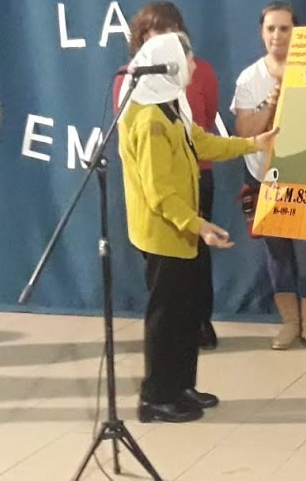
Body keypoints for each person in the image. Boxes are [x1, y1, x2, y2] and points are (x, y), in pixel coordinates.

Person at [117, 32, 276, 423]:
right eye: (188, 60)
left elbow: (200, 143)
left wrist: (253, 143)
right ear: (169, 65)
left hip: (182, 230)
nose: (194, 67)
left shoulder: (170, 105)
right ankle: (156, 397)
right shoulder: (151, 120)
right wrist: (199, 225)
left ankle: (181, 385)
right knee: (166, 318)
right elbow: (160, 194)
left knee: (186, 313)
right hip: (165, 232)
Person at [113, 1, 222, 350]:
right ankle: (164, 388)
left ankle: (196, 331)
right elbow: (152, 173)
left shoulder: (198, 73)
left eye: (173, 29)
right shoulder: (134, 87)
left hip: (196, 178)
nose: (168, 37)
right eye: (158, 31)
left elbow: (202, 128)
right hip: (162, 198)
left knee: (193, 269)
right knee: (169, 286)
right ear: (143, 38)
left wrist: (250, 144)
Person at [231, 1, 306, 355]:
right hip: (263, 177)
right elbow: (245, 131)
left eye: (285, 28)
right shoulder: (249, 77)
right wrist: (272, 104)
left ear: (296, 32)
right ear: (262, 32)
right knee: (277, 255)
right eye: (270, 28)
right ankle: (290, 323)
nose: (277, 35)